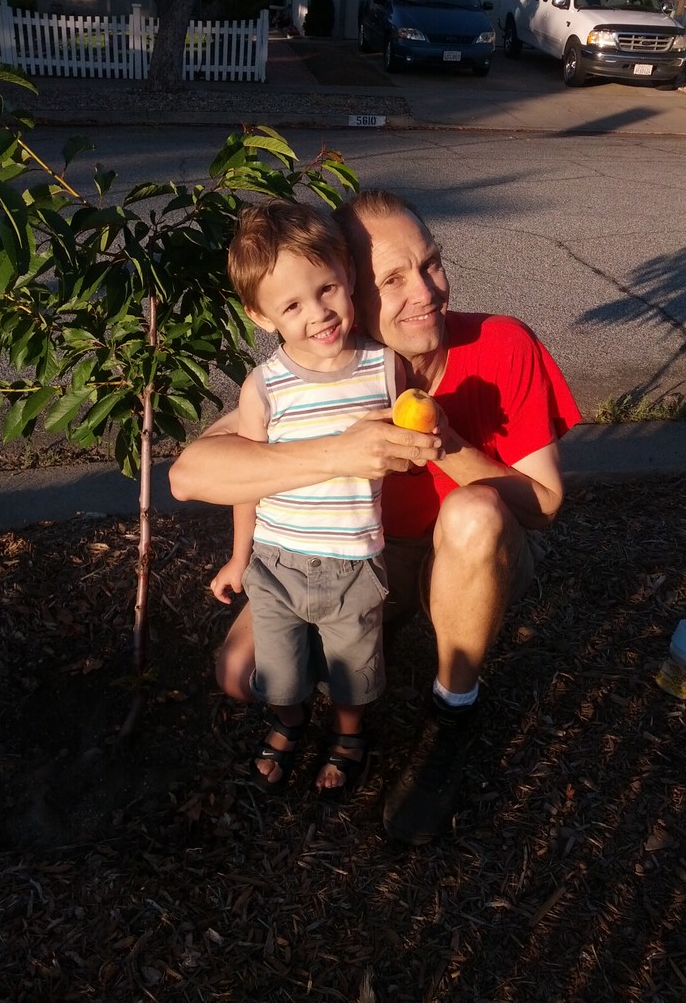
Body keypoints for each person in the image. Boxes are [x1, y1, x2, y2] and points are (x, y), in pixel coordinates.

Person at [170, 189, 582, 844]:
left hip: (468, 552)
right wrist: (339, 451)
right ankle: (349, 675)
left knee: (473, 512)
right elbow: (190, 473)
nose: (426, 291)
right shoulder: (322, 375)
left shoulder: (503, 343)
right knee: (242, 675)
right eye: (393, 279)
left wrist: (446, 443)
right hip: (358, 559)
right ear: (353, 291)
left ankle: (452, 712)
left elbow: (545, 505)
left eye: (431, 263)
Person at [208, 199, 406, 799]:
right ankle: (288, 723)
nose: (318, 313)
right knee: (280, 668)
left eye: (327, 289)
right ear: (260, 315)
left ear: (348, 273)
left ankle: (349, 736)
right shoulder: (264, 387)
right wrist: (239, 558)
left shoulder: (384, 368)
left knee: (354, 669)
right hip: (277, 563)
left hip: (354, 560)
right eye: (292, 305)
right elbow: (249, 478)